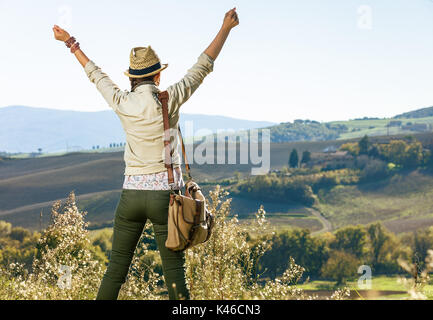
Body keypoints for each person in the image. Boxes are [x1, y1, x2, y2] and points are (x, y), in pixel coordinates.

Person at [52, 8, 239, 300]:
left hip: (131, 197)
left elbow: (95, 74)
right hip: (165, 198)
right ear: (158, 74)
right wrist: (225, 28)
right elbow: (203, 66)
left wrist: (70, 43)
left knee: (115, 269)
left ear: (131, 78)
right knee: (174, 273)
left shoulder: (121, 101)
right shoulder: (169, 98)